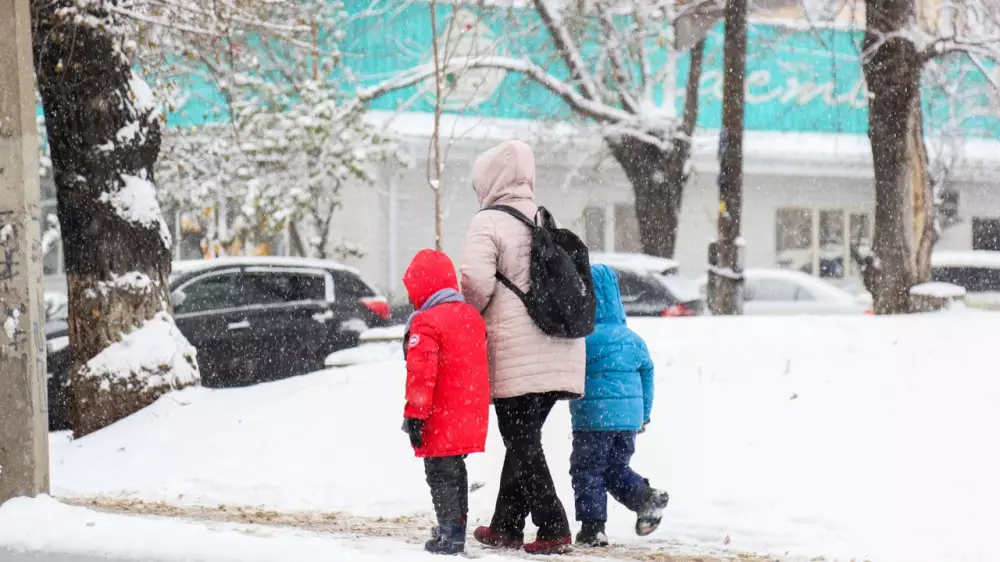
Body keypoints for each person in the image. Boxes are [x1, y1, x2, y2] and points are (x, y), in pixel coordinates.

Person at [460, 139, 586, 555]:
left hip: (518, 352)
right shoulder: (543, 218)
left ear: (489, 180)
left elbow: (474, 283)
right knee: (523, 440)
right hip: (561, 348)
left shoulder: (488, 222)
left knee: (521, 439)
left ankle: (553, 526)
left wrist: (468, 313)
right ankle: (506, 525)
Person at [569, 264, 670, 547]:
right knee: (614, 468)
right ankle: (645, 498)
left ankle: (593, 528)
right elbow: (647, 376)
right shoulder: (633, 340)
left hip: (593, 419)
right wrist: (643, 415)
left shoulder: (583, 339)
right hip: (628, 420)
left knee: (588, 470)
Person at [400, 249, 491, 555]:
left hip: (439, 412)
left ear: (423, 285)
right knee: (455, 470)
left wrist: (415, 415)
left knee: (439, 473)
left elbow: (421, 373)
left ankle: (449, 536)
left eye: (412, 287)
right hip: (469, 411)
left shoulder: (426, 321)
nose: (410, 295)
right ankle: (455, 529)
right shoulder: (472, 317)